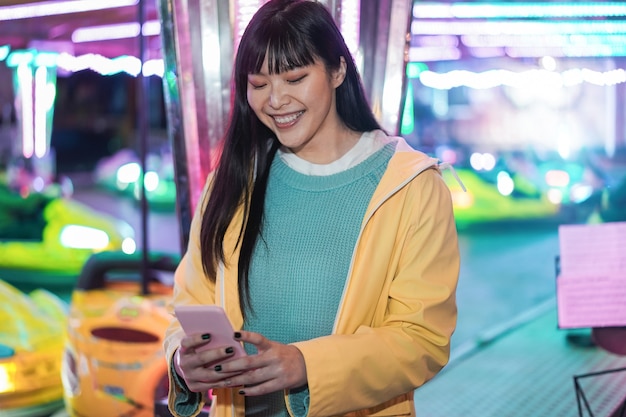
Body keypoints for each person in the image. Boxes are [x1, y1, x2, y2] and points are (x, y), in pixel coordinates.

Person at [164, 1, 461, 416]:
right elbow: (189, 304)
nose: (276, 100)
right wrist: (184, 362)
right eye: (259, 83)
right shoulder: (233, 182)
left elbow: (422, 338)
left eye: (295, 78)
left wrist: (308, 366)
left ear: (338, 71)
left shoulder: (411, 186)